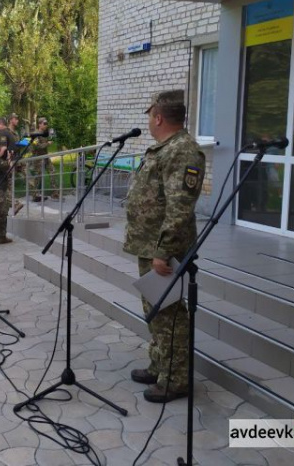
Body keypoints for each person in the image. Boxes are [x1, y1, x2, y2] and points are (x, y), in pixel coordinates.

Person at [124, 90, 205, 404]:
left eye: (150, 115)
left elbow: (180, 208)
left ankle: (176, 379)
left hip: (163, 249)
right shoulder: (166, 148)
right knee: (155, 311)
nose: (149, 120)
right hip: (150, 245)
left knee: (169, 314)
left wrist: (163, 251)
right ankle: (160, 365)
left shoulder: (183, 151)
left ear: (158, 116)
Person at [28, 117, 59, 202]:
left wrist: (50, 140)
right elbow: (37, 146)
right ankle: (34, 195)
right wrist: (47, 143)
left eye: (46, 123)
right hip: (38, 158)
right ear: (40, 124)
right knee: (38, 177)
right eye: (44, 123)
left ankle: (55, 193)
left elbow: (45, 143)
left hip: (45, 157)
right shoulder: (35, 134)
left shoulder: (44, 133)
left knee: (52, 171)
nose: (46, 125)